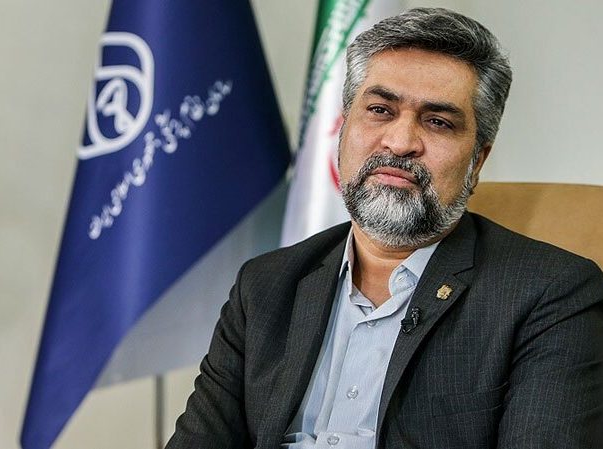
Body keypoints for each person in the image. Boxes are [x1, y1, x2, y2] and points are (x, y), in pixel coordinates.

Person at [165, 7, 603, 449]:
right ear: (343, 131)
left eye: (438, 122)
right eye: (379, 110)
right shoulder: (265, 286)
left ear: (477, 162)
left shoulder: (553, 295)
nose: (400, 142)